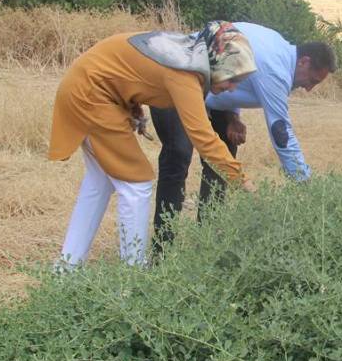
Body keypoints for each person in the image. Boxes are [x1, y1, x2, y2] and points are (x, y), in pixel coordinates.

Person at [48, 22, 257, 269]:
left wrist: (133, 106)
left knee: (100, 183)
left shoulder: (188, 59)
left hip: (86, 90)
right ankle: (133, 277)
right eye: (233, 78)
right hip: (90, 95)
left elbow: (131, 71)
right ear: (218, 60)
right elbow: (203, 137)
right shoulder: (185, 72)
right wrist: (242, 180)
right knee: (136, 184)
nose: (233, 88)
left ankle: (66, 267)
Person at [149, 22, 336, 244]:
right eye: (312, 80)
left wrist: (232, 116)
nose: (309, 89)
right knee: (178, 156)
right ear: (304, 62)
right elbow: (281, 133)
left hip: (210, 90)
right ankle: (162, 246)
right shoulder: (276, 68)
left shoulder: (279, 49)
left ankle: (207, 241)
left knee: (225, 152)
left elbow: (231, 73)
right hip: (174, 78)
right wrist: (306, 187)